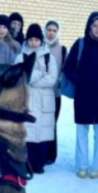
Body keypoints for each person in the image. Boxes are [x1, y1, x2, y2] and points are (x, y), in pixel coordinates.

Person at [62, 11, 98, 179]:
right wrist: (80, 81)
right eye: (95, 26)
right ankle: (82, 165)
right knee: (82, 131)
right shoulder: (80, 44)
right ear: (89, 26)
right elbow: (68, 67)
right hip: (83, 95)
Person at [16, 23, 58, 174]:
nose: (34, 42)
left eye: (36, 39)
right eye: (31, 39)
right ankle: (26, 163)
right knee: (27, 132)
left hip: (44, 99)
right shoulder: (21, 56)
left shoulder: (48, 57)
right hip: (26, 97)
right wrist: (41, 74)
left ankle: (39, 164)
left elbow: (52, 79)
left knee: (42, 133)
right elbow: (20, 75)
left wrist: (31, 76)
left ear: (41, 40)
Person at [44, 20, 67, 165]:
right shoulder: (40, 47)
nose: (51, 33)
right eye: (49, 30)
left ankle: (51, 155)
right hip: (40, 93)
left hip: (55, 93)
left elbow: (66, 69)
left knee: (52, 123)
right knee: (41, 123)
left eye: (54, 30)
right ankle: (41, 152)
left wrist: (59, 81)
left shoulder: (62, 50)